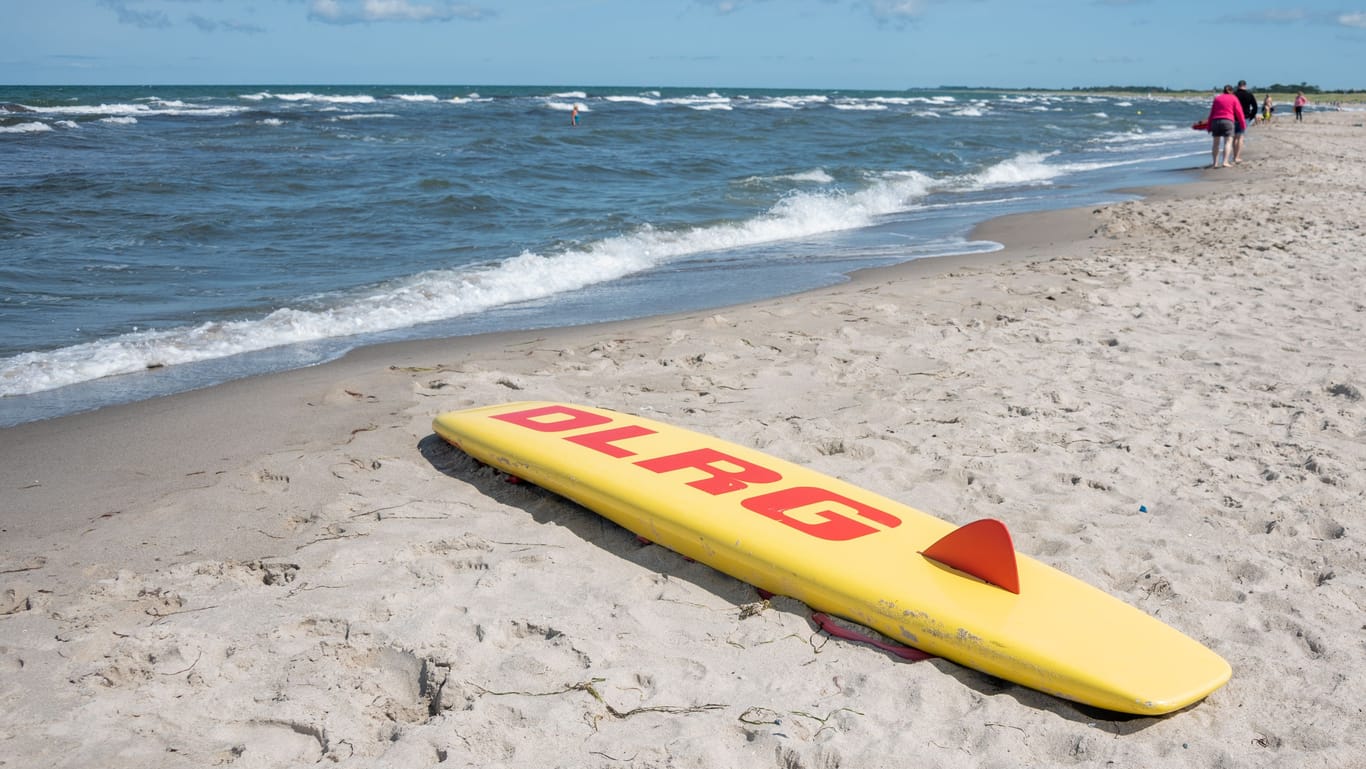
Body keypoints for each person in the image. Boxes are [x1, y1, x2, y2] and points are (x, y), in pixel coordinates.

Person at [1206, 85, 1245, 168]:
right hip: (1228, 121)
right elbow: (1239, 113)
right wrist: (1242, 124)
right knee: (1228, 142)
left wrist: (1209, 126)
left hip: (1215, 121)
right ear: (1232, 91)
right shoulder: (1234, 98)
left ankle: (1215, 163)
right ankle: (1225, 161)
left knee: (1215, 143)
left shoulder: (1217, 98)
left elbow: (1212, 113)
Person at [1232, 80, 1257, 163]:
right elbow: (1255, 107)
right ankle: (1237, 157)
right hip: (1245, 117)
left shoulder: (1233, 94)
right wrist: (1251, 116)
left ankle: (1234, 156)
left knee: (1234, 137)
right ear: (1245, 86)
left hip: (1233, 117)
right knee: (1240, 137)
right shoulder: (1249, 94)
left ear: (1238, 85)